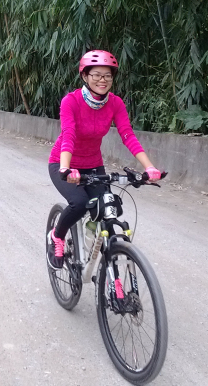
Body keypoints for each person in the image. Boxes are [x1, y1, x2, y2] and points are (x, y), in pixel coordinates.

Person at [47, 50, 164, 269]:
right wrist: (65, 168)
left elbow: (127, 135)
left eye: (108, 75)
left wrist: (149, 168)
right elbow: (68, 135)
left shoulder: (115, 103)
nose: (103, 80)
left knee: (108, 207)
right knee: (79, 203)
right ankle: (57, 236)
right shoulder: (71, 101)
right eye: (97, 75)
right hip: (63, 164)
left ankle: (102, 255)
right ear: (85, 76)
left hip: (93, 165)